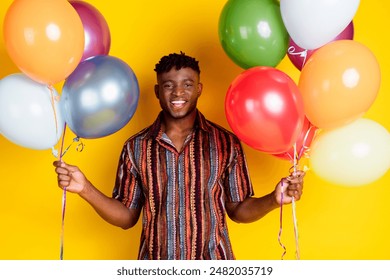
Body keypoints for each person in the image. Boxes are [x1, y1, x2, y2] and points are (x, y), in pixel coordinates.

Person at [53, 52, 304, 260]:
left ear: (199, 89)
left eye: (187, 84)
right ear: (157, 91)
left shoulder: (225, 142)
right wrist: (84, 188)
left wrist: (274, 199)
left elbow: (238, 209)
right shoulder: (136, 147)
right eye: (168, 85)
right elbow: (127, 216)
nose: (177, 93)